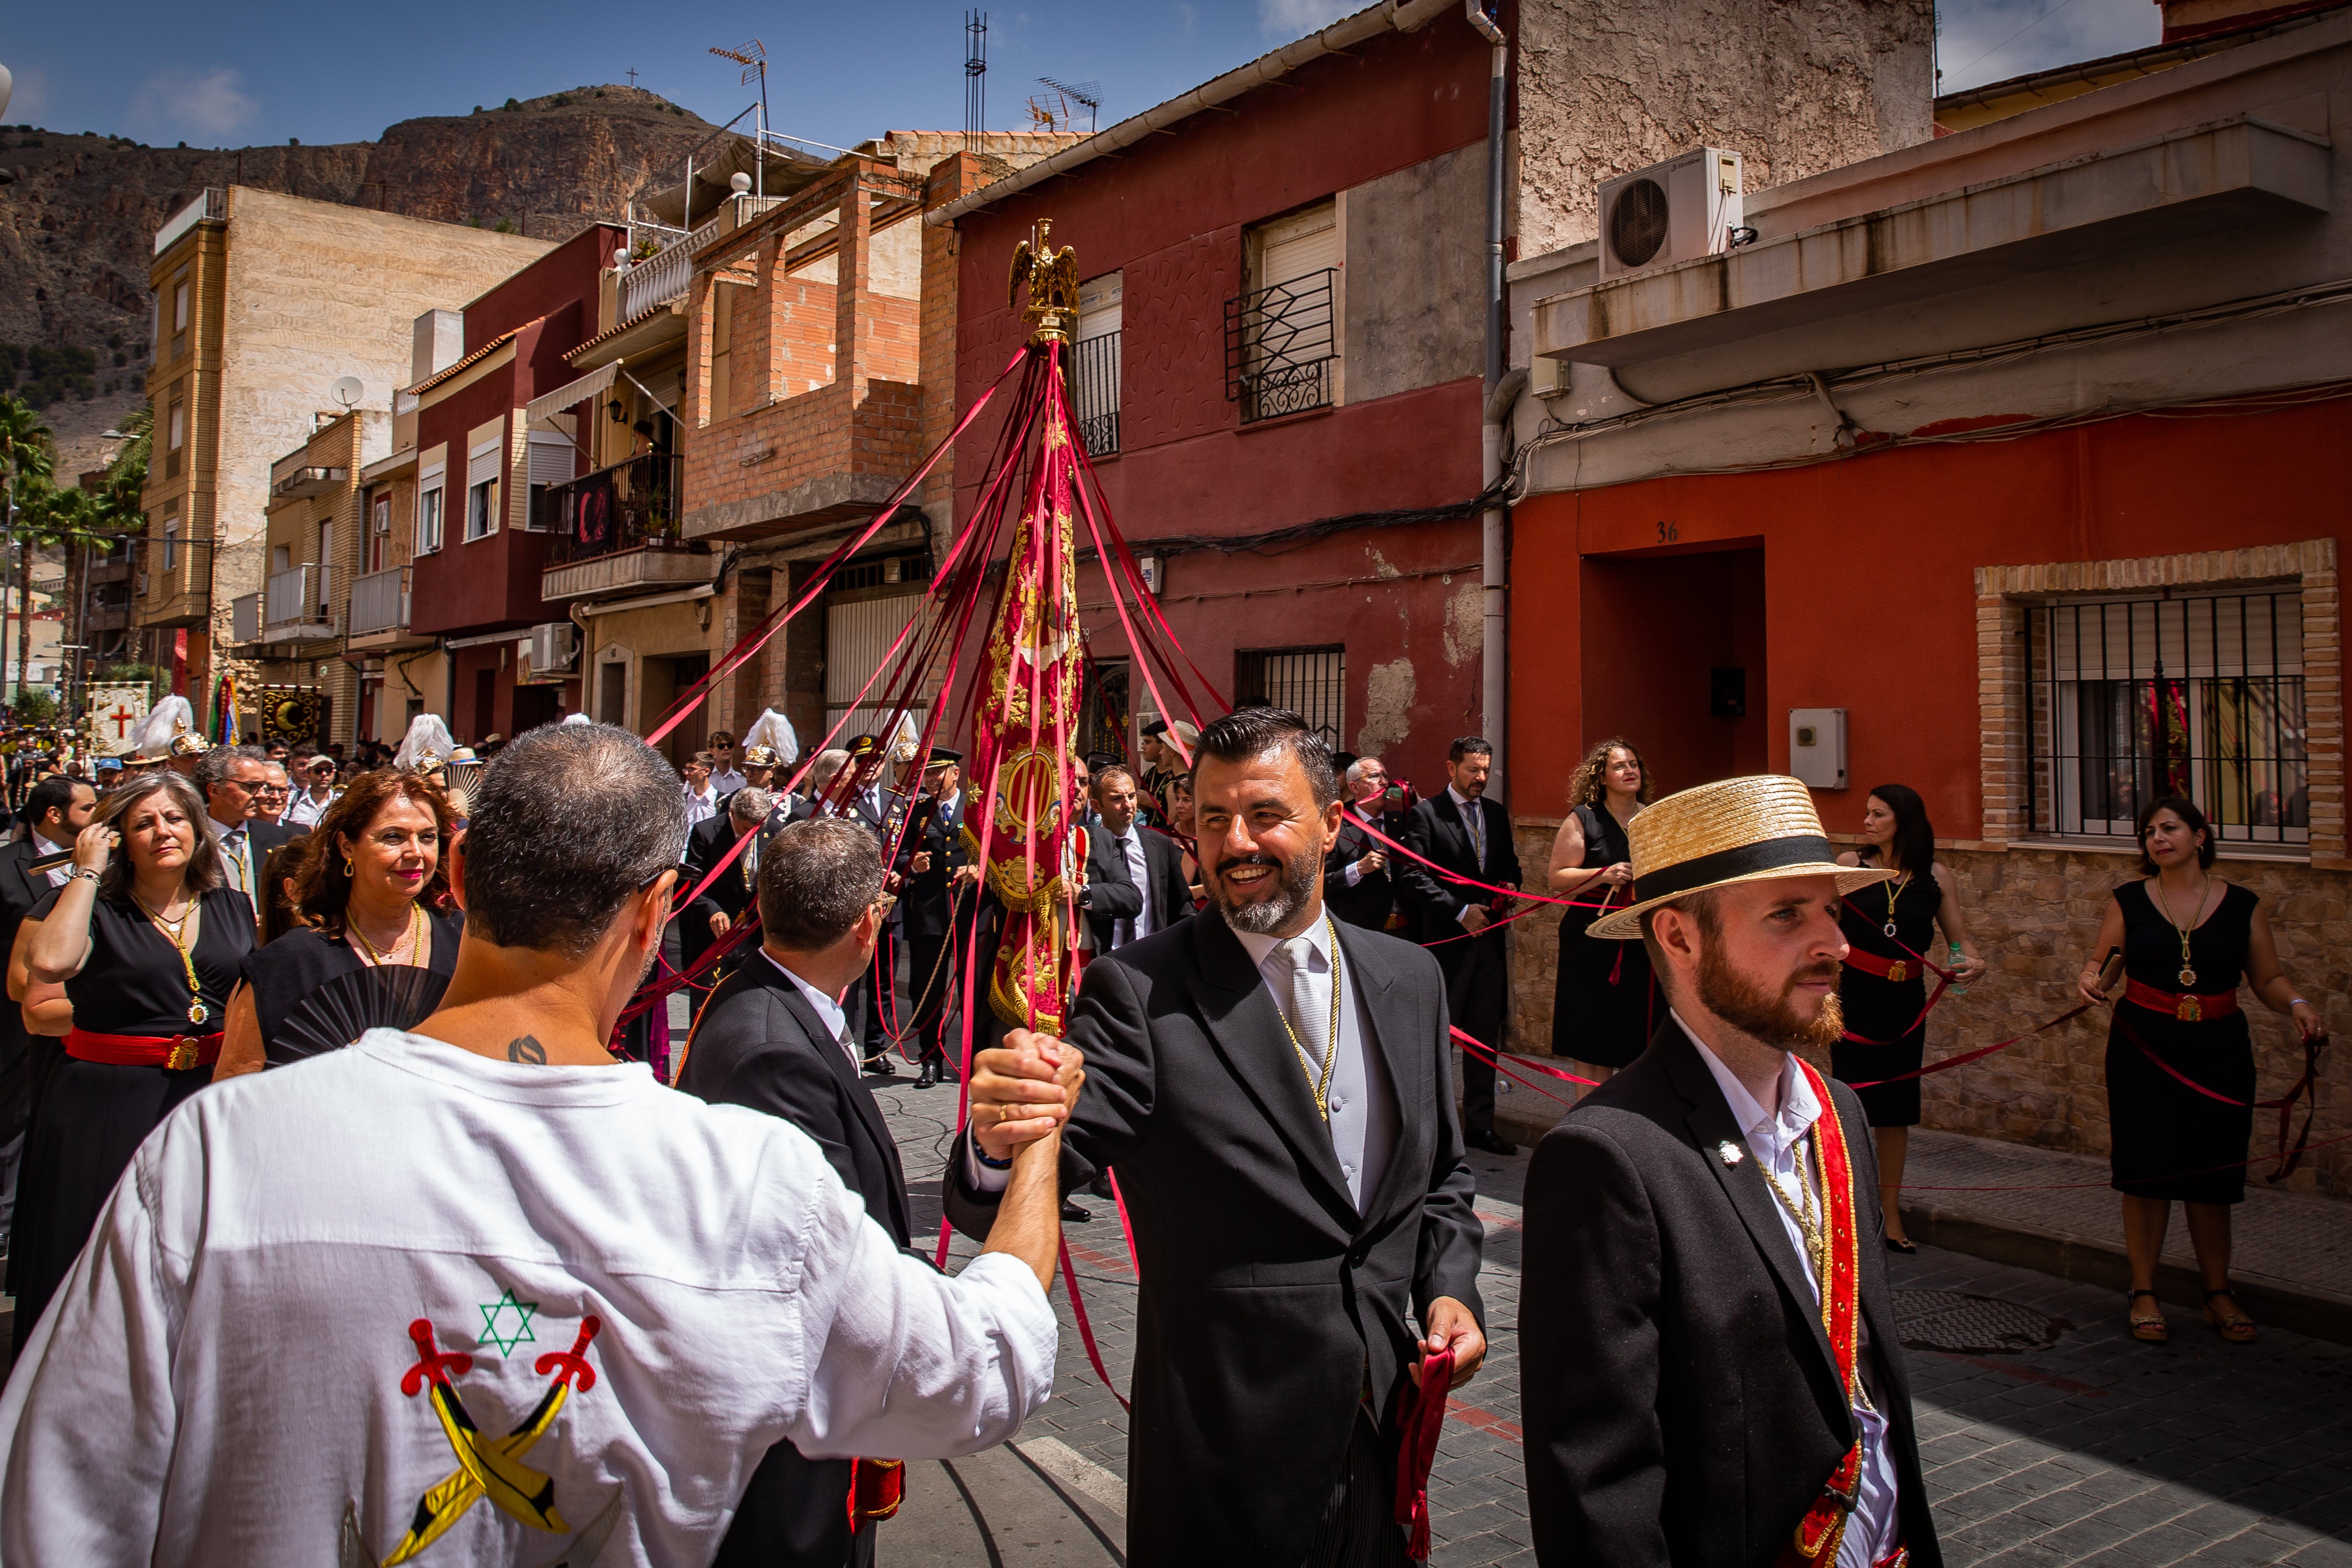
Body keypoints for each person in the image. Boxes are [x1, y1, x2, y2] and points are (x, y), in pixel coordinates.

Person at [0, 721, 1068, 1563]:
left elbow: (56, 1503)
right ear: (657, 911)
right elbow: (989, 1364)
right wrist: (1036, 1143)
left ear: (455, 872)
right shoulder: (746, 1182)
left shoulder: (212, 1158)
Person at [953, 707, 1486, 1566]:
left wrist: (1448, 1284)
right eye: (1210, 818)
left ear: (1332, 820)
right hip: (1224, 1456)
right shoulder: (1139, 990)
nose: (1234, 841)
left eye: (1264, 814)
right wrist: (1001, 1132)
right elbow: (1045, 1162)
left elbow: (1442, 1179)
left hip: (1382, 1433)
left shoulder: (1408, 977)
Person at [1520, 775, 1943, 1568]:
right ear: (1679, 938)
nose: (1835, 945)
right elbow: (1597, 1489)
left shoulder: (1839, 1113)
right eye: (1787, 914)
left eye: (1830, 910)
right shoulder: (1610, 1158)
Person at [678, 817, 917, 1568]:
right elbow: (834, 1252)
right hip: (793, 1425)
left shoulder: (759, 994)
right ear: (866, 924)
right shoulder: (774, 1050)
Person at [9, 771, 252, 1356]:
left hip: (205, 1095)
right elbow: (48, 967)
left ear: (198, 830)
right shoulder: (95, 904)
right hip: (108, 1101)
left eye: (174, 818)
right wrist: (88, 872)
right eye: (143, 822)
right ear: (116, 836)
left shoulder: (233, 903)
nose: (162, 831)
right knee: (100, 1252)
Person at [2075, 795, 2322, 1345]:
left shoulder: (2240, 905)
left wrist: (2298, 1003)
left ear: (2199, 836)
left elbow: (2267, 977)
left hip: (2217, 1045)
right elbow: (2102, 965)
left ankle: (2216, 1291)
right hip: (2143, 1046)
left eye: (2169, 828)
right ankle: (2143, 1290)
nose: (2157, 838)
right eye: (2148, 832)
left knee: (2213, 1172)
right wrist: (2090, 977)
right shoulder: (2129, 900)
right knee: (2145, 1169)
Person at [216, 769, 462, 1076]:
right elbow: (234, 1090)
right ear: (347, 846)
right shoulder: (287, 964)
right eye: (393, 837)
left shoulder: (468, 942)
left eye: (427, 837)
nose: (415, 852)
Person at [1833, 784, 1987, 1253]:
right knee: (1853, 1105)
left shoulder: (1937, 876)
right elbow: (1822, 925)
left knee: (1896, 1111)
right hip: (1855, 997)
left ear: (1905, 820)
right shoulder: (1849, 866)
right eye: (1867, 812)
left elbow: (1960, 943)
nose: (1867, 821)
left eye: (1878, 814)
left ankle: (1891, 1212)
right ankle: (1850, 1211)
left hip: (1906, 1002)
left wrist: (1971, 964)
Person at [1398, 735, 1523, 1156]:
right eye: (1472, 769)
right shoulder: (1426, 814)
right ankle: (1431, 1127)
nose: (1480, 777)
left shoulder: (1496, 813)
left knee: (1484, 1036)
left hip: (1488, 943)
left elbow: (1509, 865)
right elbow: (1413, 877)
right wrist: (1459, 910)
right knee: (1441, 1038)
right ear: (1451, 768)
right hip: (1447, 945)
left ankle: (1481, 1125)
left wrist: (1510, 887)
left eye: (1485, 769)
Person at [0, 775, 96, 1249]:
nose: (97, 816)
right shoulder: (6, 866)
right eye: (88, 807)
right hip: (14, 1024)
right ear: (55, 814)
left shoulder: (116, 874)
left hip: (83, 1035)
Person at [1545, 737, 1655, 1085]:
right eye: (1620, 766)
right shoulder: (1585, 819)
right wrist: (1602, 874)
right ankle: (1590, 1120)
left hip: (1641, 939)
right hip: (1592, 941)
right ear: (1602, 777)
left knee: (1638, 1031)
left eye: (1633, 764)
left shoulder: (1652, 818)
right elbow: (1557, 876)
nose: (1629, 771)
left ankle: (1628, 1117)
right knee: (1594, 1035)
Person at [895, 749, 982, 1088]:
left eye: (937, 773)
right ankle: (930, 1058)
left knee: (970, 987)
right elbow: (899, 853)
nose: (931, 780)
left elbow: (993, 848)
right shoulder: (915, 812)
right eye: (926, 775)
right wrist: (910, 864)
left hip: (967, 910)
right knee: (926, 989)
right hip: (930, 912)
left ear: (955, 773)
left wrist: (979, 868)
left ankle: (975, 1058)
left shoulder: (973, 809)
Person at [1078, 765, 1191, 958]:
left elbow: (1182, 906)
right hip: (1104, 961)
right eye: (1117, 799)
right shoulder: (1085, 846)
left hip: (1152, 960)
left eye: (1131, 796)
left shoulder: (1160, 845)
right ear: (1097, 806)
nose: (1128, 805)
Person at [681, 787, 777, 988]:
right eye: (745, 829)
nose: (752, 835)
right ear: (732, 814)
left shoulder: (774, 831)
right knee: (707, 1004)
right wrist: (712, 910)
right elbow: (691, 884)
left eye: (758, 829)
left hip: (754, 936)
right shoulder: (706, 833)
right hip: (713, 937)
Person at [196, 744, 308, 909]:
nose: (262, 794)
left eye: (264, 787)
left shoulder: (281, 839)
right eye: (251, 787)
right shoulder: (191, 841)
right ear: (215, 790)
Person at [1324, 756, 1402, 932]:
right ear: (1355, 787)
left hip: (1404, 930)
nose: (1383, 782)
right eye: (1375, 776)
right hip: (1360, 929)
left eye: (1386, 776)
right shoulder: (1338, 828)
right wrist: (1358, 869)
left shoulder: (1400, 822)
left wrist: (1413, 800)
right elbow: (1322, 884)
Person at [285, 753, 340, 828]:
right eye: (318, 770)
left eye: (329, 770)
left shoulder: (341, 801)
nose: (324, 774)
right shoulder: (292, 799)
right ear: (308, 774)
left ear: (334, 773)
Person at [683, 751, 721, 829]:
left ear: (706, 772)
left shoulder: (720, 800)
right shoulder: (683, 800)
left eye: (692, 769)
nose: (687, 773)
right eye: (686, 769)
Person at [254, 758, 296, 827]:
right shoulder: (240, 831)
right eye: (269, 789)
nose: (276, 797)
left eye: (282, 790)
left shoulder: (300, 833)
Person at [706, 729, 748, 796]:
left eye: (730, 745)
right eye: (721, 746)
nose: (726, 748)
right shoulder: (702, 778)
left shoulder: (742, 782)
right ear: (712, 751)